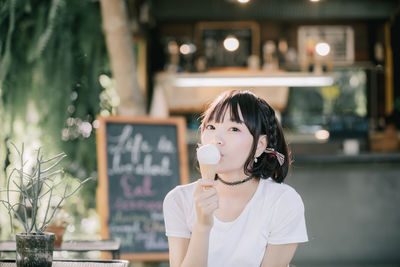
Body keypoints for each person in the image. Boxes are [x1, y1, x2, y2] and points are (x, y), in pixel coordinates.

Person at [163, 90, 308, 267]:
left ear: (259, 146)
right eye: (211, 127)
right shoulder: (178, 200)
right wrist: (202, 225)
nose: (217, 139)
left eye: (234, 129)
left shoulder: (283, 202)